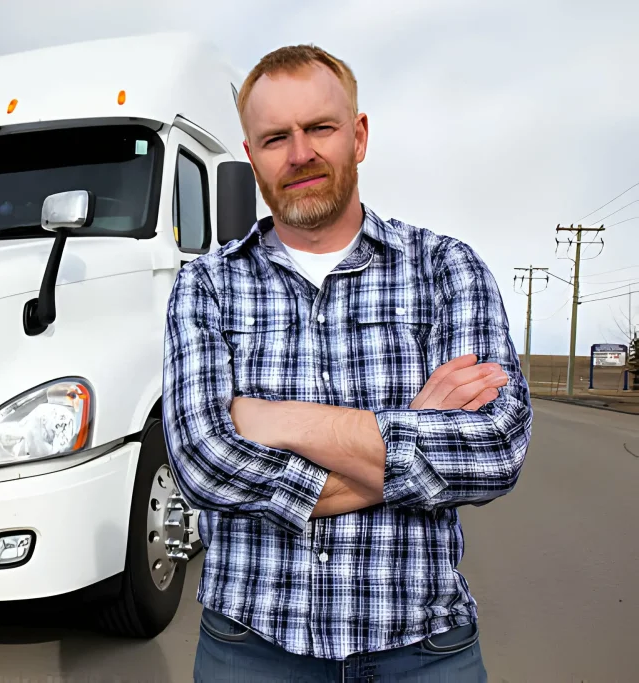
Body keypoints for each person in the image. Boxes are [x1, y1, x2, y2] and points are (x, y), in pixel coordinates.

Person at [162, 44, 532, 682]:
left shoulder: (446, 269)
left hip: (422, 651)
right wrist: (409, 428)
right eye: (275, 137)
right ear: (251, 157)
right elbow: (200, 462)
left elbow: (494, 448)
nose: (300, 153)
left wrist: (278, 421)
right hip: (250, 650)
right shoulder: (206, 285)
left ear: (357, 136)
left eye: (320, 128)